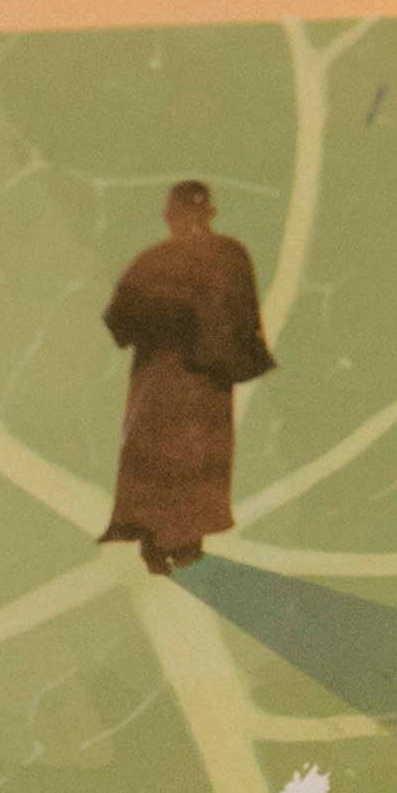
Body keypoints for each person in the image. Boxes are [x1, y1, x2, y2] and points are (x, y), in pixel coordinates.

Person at [95, 180, 272, 572]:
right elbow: (245, 323)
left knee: (159, 455)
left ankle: (160, 544)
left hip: (160, 378)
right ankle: (185, 542)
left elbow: (119, 325)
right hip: (208, 381)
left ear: (170, 216)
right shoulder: (231, 255)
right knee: (199, 457)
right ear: (209, 213)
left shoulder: (152, 260)